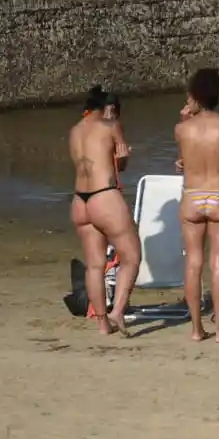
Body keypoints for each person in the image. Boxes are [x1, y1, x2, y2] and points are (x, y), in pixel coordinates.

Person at [175, 68, 219, 344]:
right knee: (218, 264)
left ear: (194, 96)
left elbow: (184, 162)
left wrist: (185, 118)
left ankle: (196, 329)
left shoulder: (181, 129)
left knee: (193, 263)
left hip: (192, 197)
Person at [68, 86, 140, 335]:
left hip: (80, 200)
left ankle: (102, 324)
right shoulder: (110, 126)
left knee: (94, 265)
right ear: (107, 108)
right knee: (132, 256)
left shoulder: (75, 131)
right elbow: (120, 163)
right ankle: (117, 310)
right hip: (104, 196)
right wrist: (124, 156)